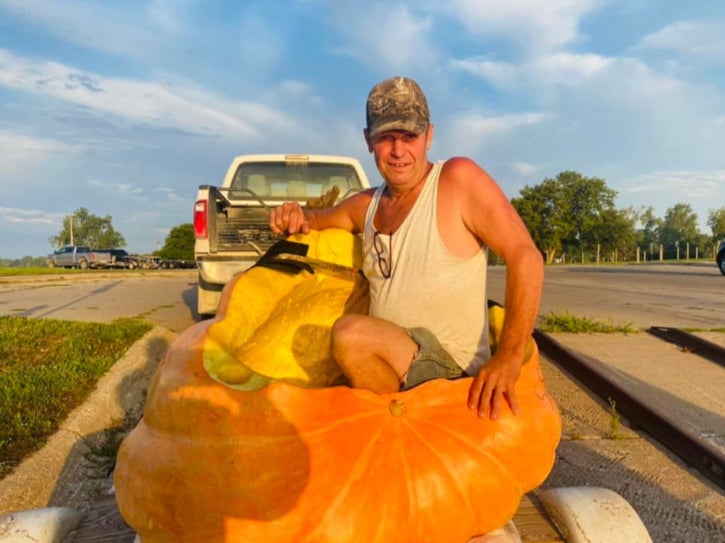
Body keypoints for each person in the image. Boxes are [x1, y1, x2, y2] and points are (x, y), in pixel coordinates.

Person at [270, 76, 544, 422]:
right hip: (395, 364)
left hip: (452, 371)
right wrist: (294, 214)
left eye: (409, 137)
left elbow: (526, 256)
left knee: (350, 335)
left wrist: (509, 356)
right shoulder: (367, 204)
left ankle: (403, 431)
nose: (399, 151)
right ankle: (394, 431)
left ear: (429, 136)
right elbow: (315, 220)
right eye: (386, 138)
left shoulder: (457, 180)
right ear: (368, 141)